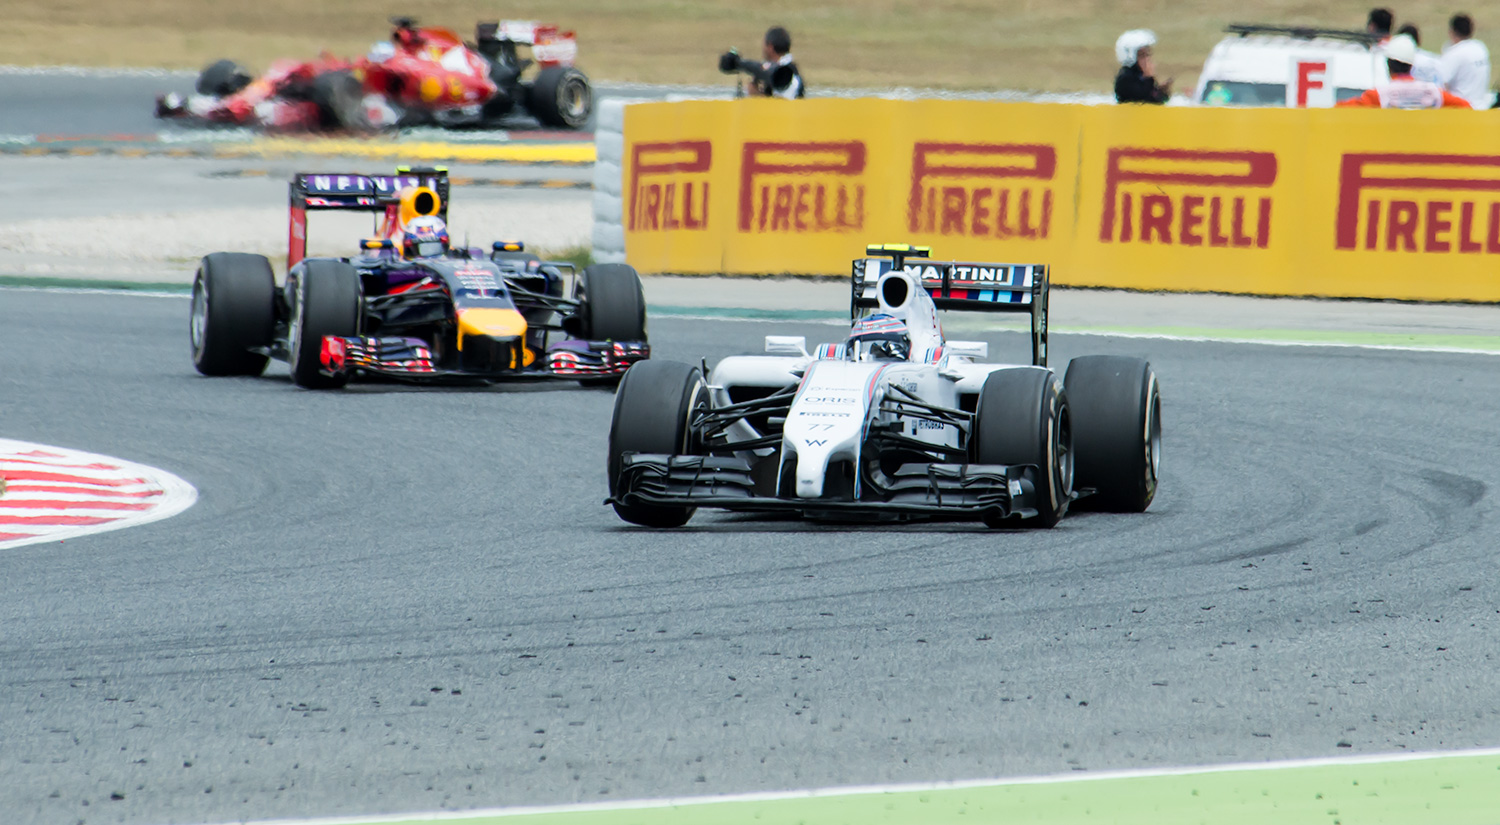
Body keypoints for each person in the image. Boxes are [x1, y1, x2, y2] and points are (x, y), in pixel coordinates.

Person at [1337, 34, 1471, 108]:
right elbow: (1466, 107)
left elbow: (1343, 109)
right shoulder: (1434, 93)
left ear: (1388, 65)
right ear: (1411, 66)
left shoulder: (1379, 95)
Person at [1439, 14, 1492, 109]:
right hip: (1482, 107)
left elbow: (1440, 83)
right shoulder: (1481, 48)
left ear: (1452, 32)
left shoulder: (1454, 53)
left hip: (1462, 109)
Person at [1115, 30, 1171, 104]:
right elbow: (1141, 99)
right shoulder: (1125, 78)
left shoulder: (1141, 75)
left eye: (1148, 54)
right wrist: (1149, 77)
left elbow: (1156, 100)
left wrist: (1161, 92)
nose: (1147, 59)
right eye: (1142, 55)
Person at [756, 27, 805, 99]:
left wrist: (756, 95)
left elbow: (782, 102)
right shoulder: (790, 68)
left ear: (770, 47)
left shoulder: (785, 72)